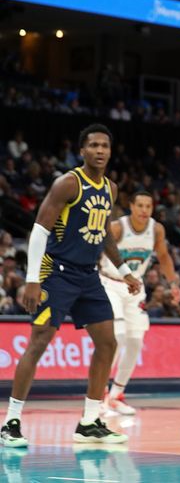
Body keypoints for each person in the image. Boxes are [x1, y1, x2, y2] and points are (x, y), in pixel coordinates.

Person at [1, 124, 141, 448]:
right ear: (82, 151)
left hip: (88, 276)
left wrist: (124, 271)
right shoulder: (68, 183)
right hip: (57, 273)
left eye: (104, 145)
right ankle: (11, 421)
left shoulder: (110, 189)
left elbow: (103, 232)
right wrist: (32, 279)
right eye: (93, 145)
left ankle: (90, 422)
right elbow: (39, 229)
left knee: (107, 343)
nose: (100, 150)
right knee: (38, 343)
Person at [99, 191, 179, 415]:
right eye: (140, 205)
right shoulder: (118, 228)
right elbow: (96, 250)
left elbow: (163, 257)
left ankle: (116, 395)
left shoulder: (156, 229)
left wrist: (173, 283)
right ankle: (100, 395)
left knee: (135, 340)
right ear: (131, 207)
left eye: (148, 206)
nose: (144, 210)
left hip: (135, 287)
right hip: (109, 282)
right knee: (118, 336)